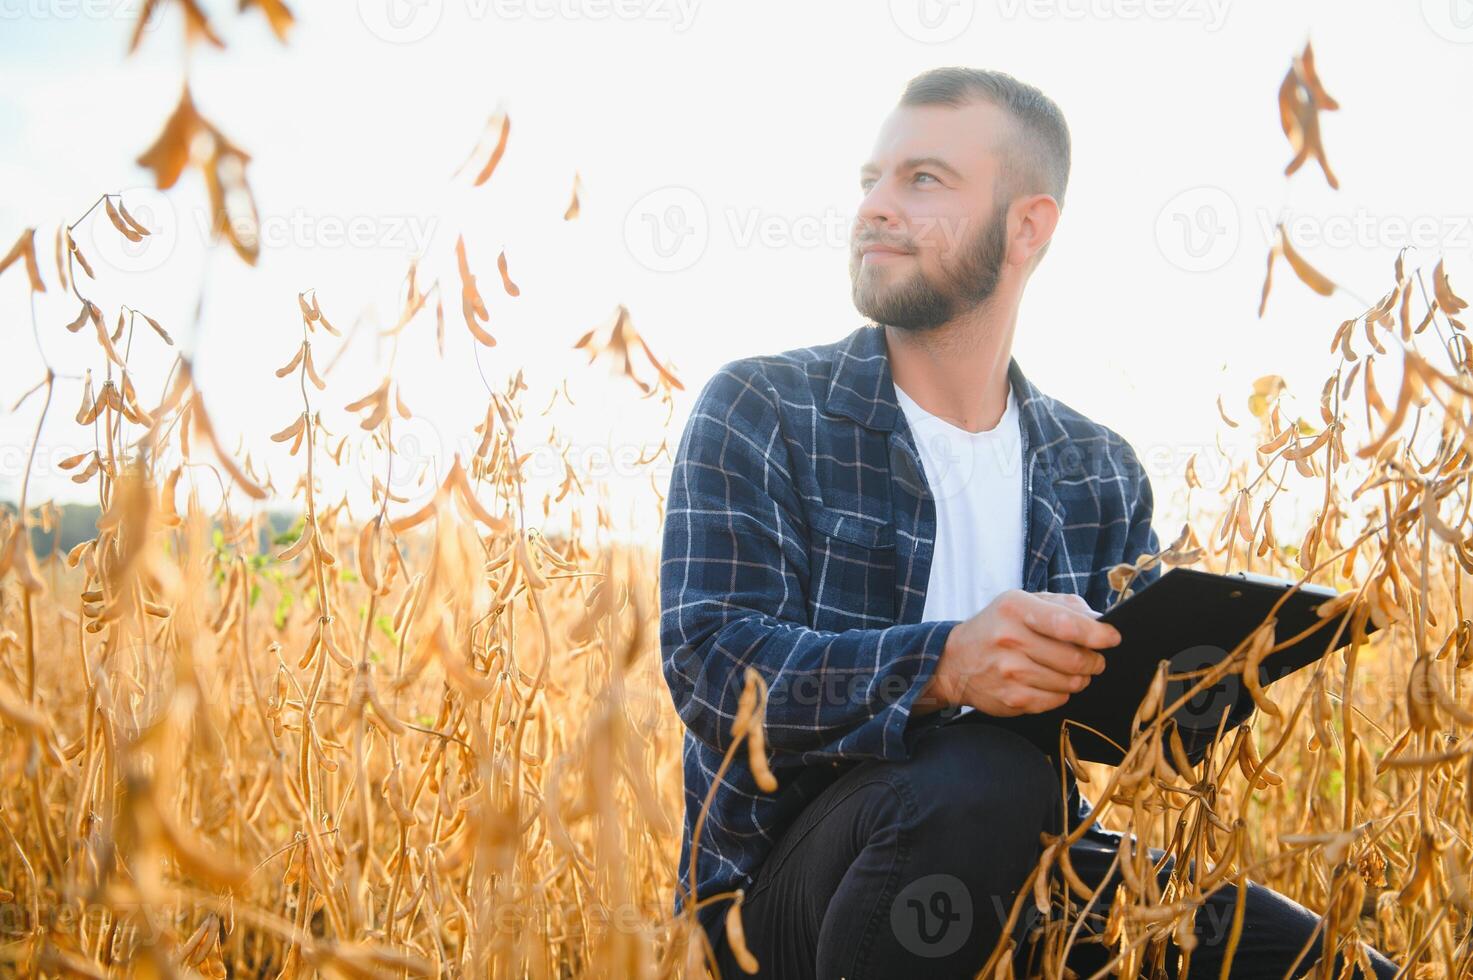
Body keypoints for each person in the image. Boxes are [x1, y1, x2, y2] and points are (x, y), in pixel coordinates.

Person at [658, 67, 1397, 979]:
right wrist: (945, 665)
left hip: (1030, 862)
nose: (876, 208)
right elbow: (710, 668)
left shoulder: (1095, 468)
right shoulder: (762, 407)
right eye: (871, 180)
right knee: (982, 779)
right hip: (776, 902)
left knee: (1310, 961)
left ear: (1027, 225)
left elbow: (1135, 743)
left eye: (922, 180)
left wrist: (1218, 667)